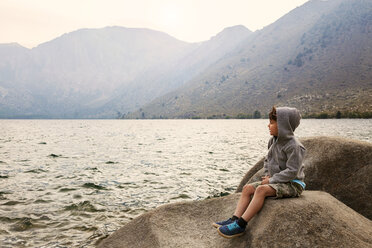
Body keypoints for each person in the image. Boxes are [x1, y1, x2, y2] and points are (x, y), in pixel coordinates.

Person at [213, 106, 306, 239]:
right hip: (277, 181)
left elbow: (292, 171)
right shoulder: (273, 141)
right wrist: (268, 175)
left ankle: (241, 224)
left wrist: (271, 180)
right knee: (247, 188)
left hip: (293, 184)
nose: (268, 125)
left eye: (272, 123)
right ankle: (234, 218)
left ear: (284, 125)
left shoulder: (294, 146)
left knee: (261, 190)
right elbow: (268, 160)